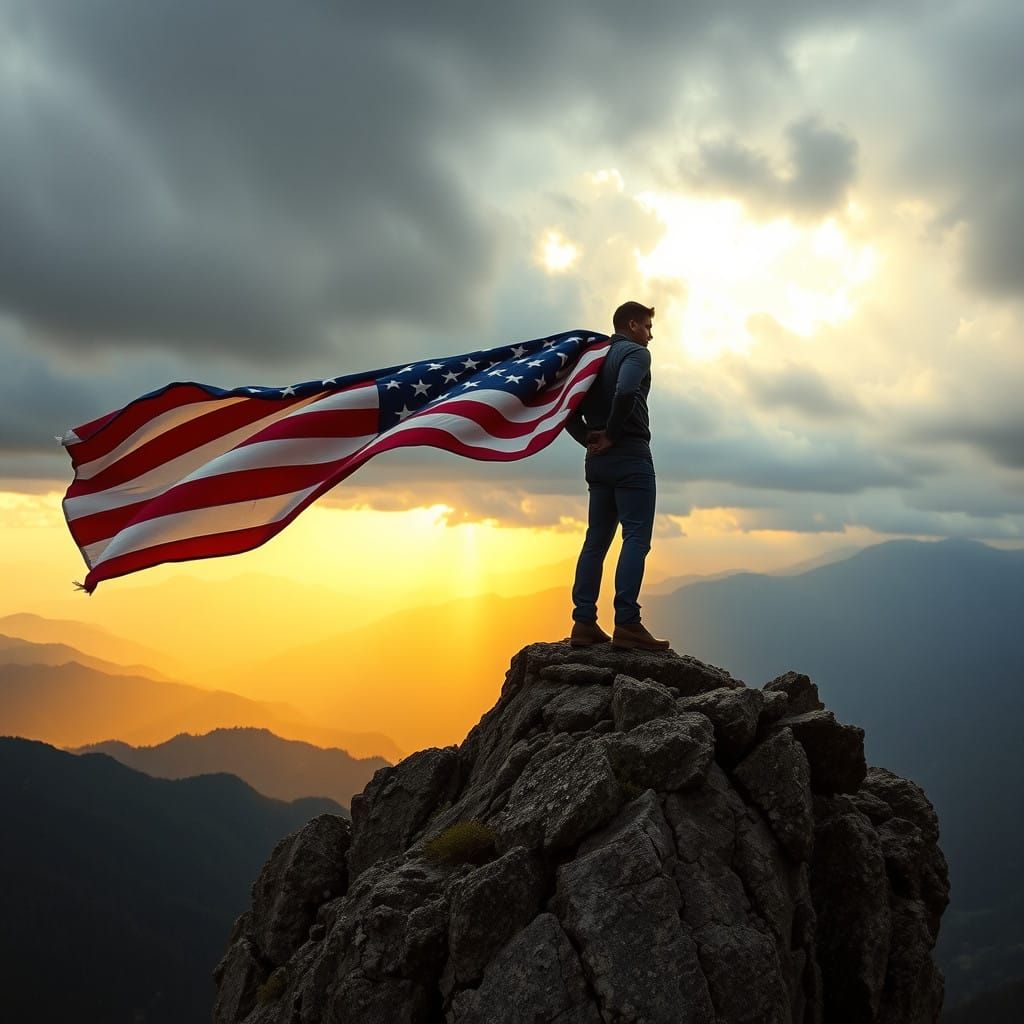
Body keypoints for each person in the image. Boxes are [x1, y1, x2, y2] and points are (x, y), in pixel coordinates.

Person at [565, 301, 670, 651]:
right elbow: (625, 390)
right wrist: (610, 434)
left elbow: (563, 406)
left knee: (596, 540)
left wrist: (588, 439)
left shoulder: (592, 359)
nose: (651, 335)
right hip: (629, 454)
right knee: (636, 538)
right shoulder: (635, 355)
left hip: (597, 461)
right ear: (632, 324)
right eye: (647, 327)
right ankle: (627, 623)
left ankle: (583, 622)